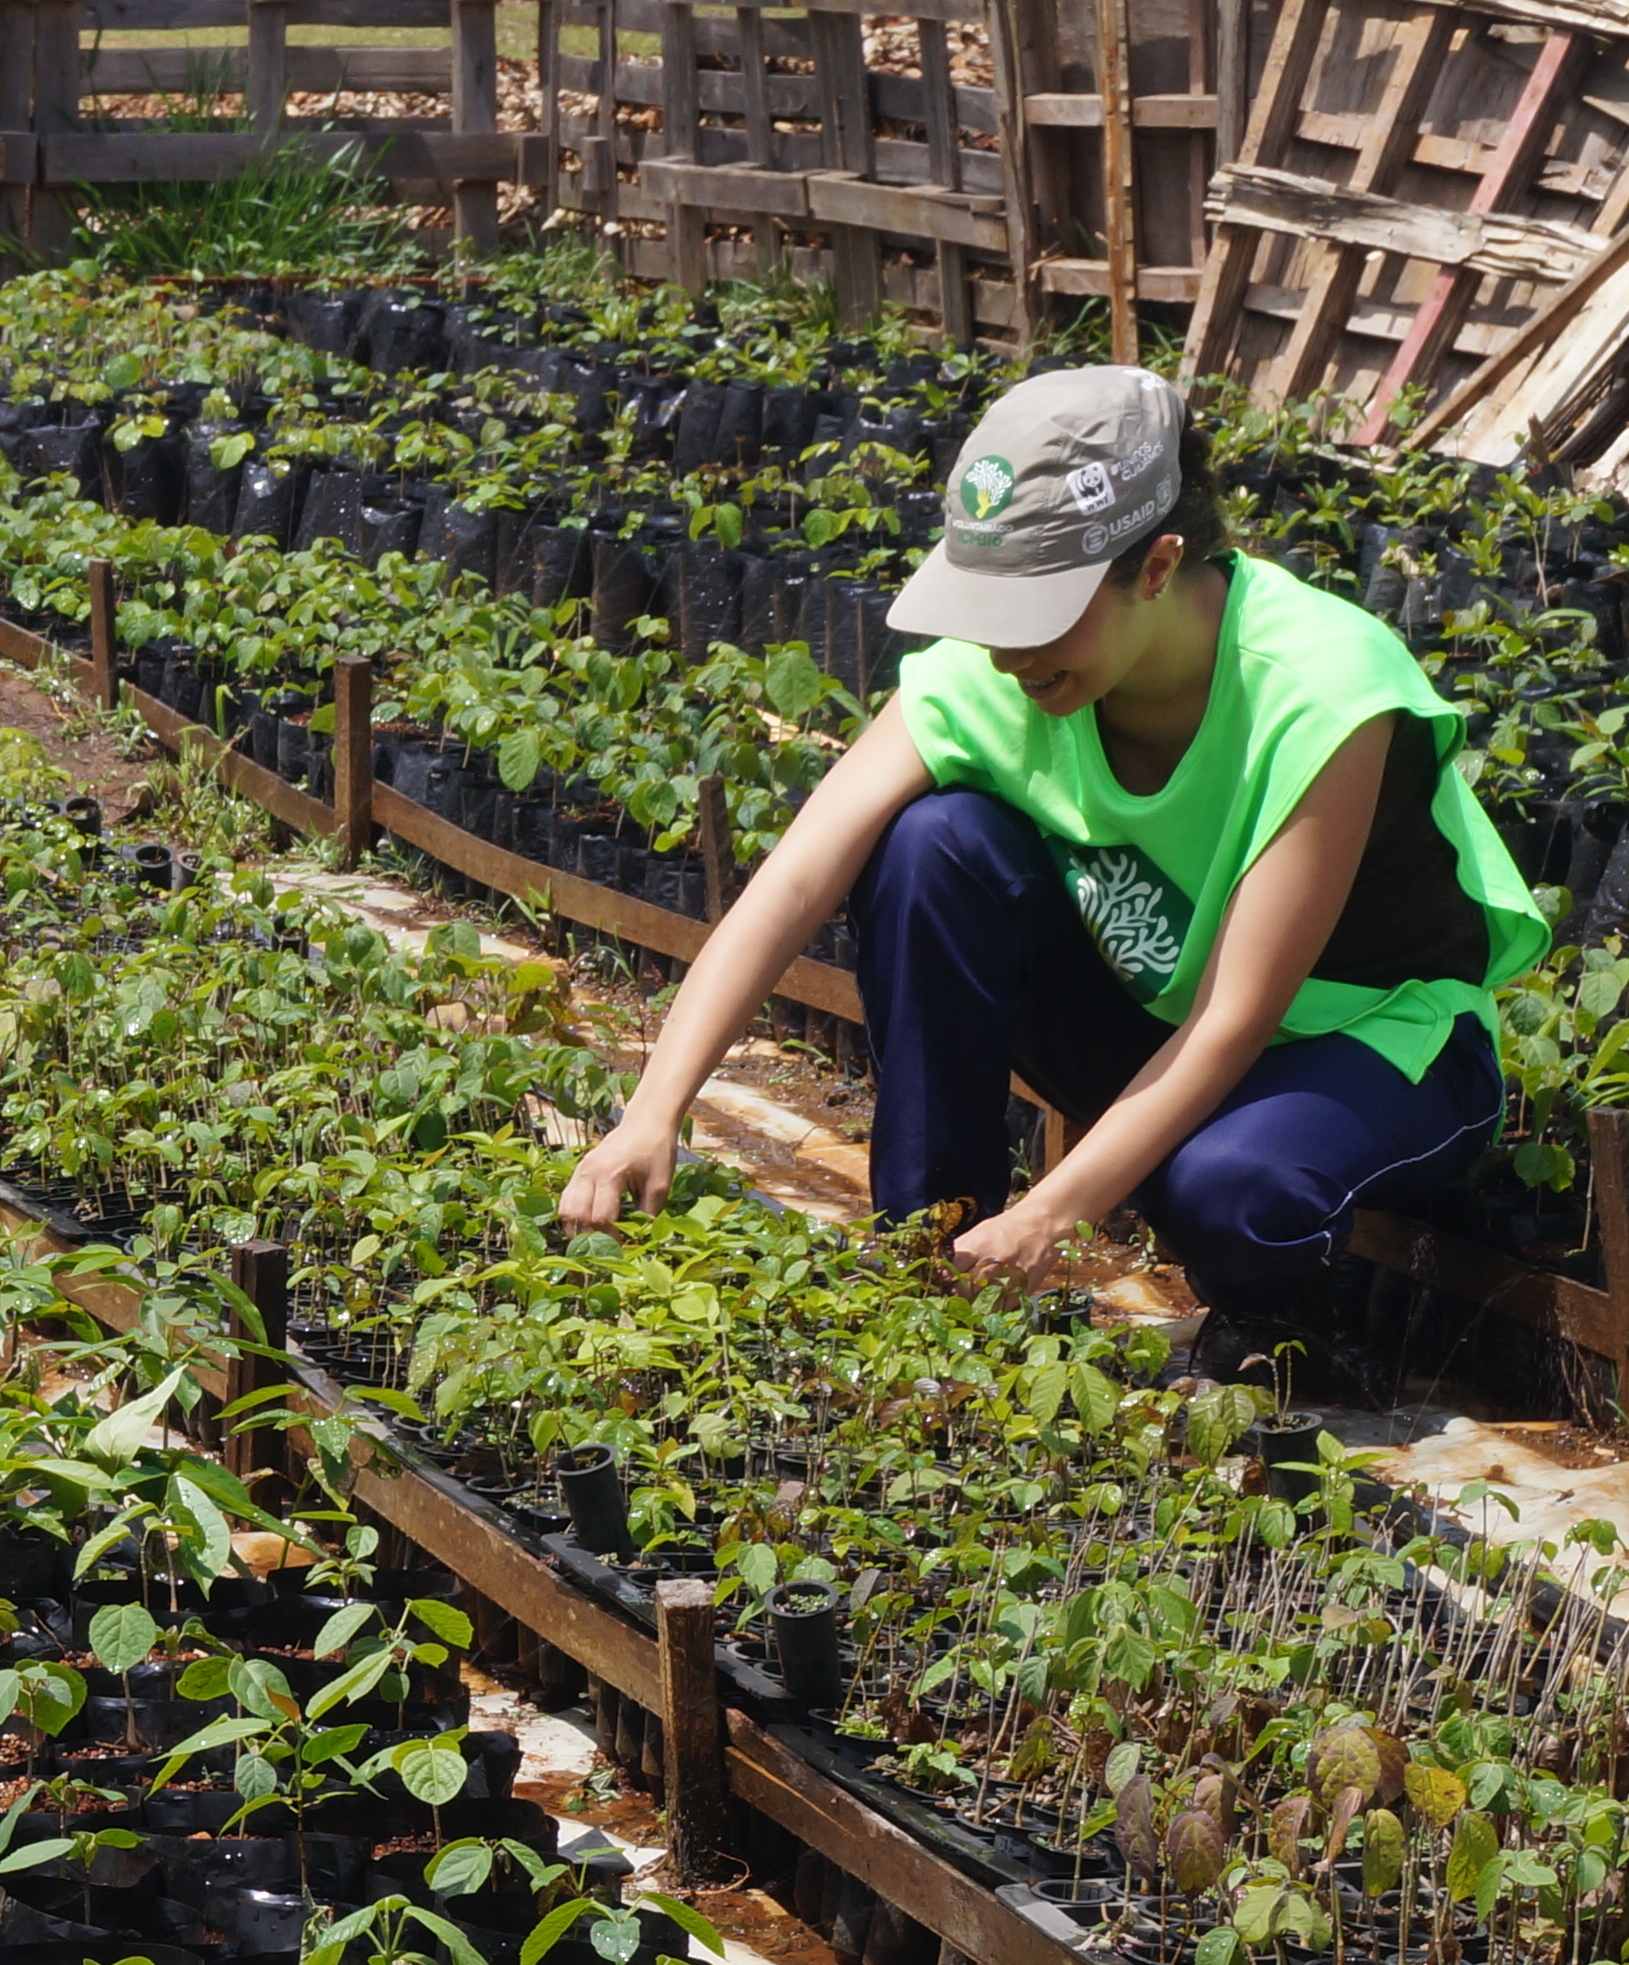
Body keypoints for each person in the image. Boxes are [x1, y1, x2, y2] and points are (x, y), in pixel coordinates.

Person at [553, 364, 1544, 1385]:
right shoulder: (1003, 677)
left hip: (1368, 1043)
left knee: (1234, 1192)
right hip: (1155, 1018)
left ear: (1156, 567)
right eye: (989, 613)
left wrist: (1052, 1212)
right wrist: (651, 1114)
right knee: (931, 846)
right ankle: (935, 1262)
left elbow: (1231, 1023)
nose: (1006, 655)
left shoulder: (1323, 690)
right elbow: (789, 887)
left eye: (1039, 614)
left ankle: (1280, 1328)